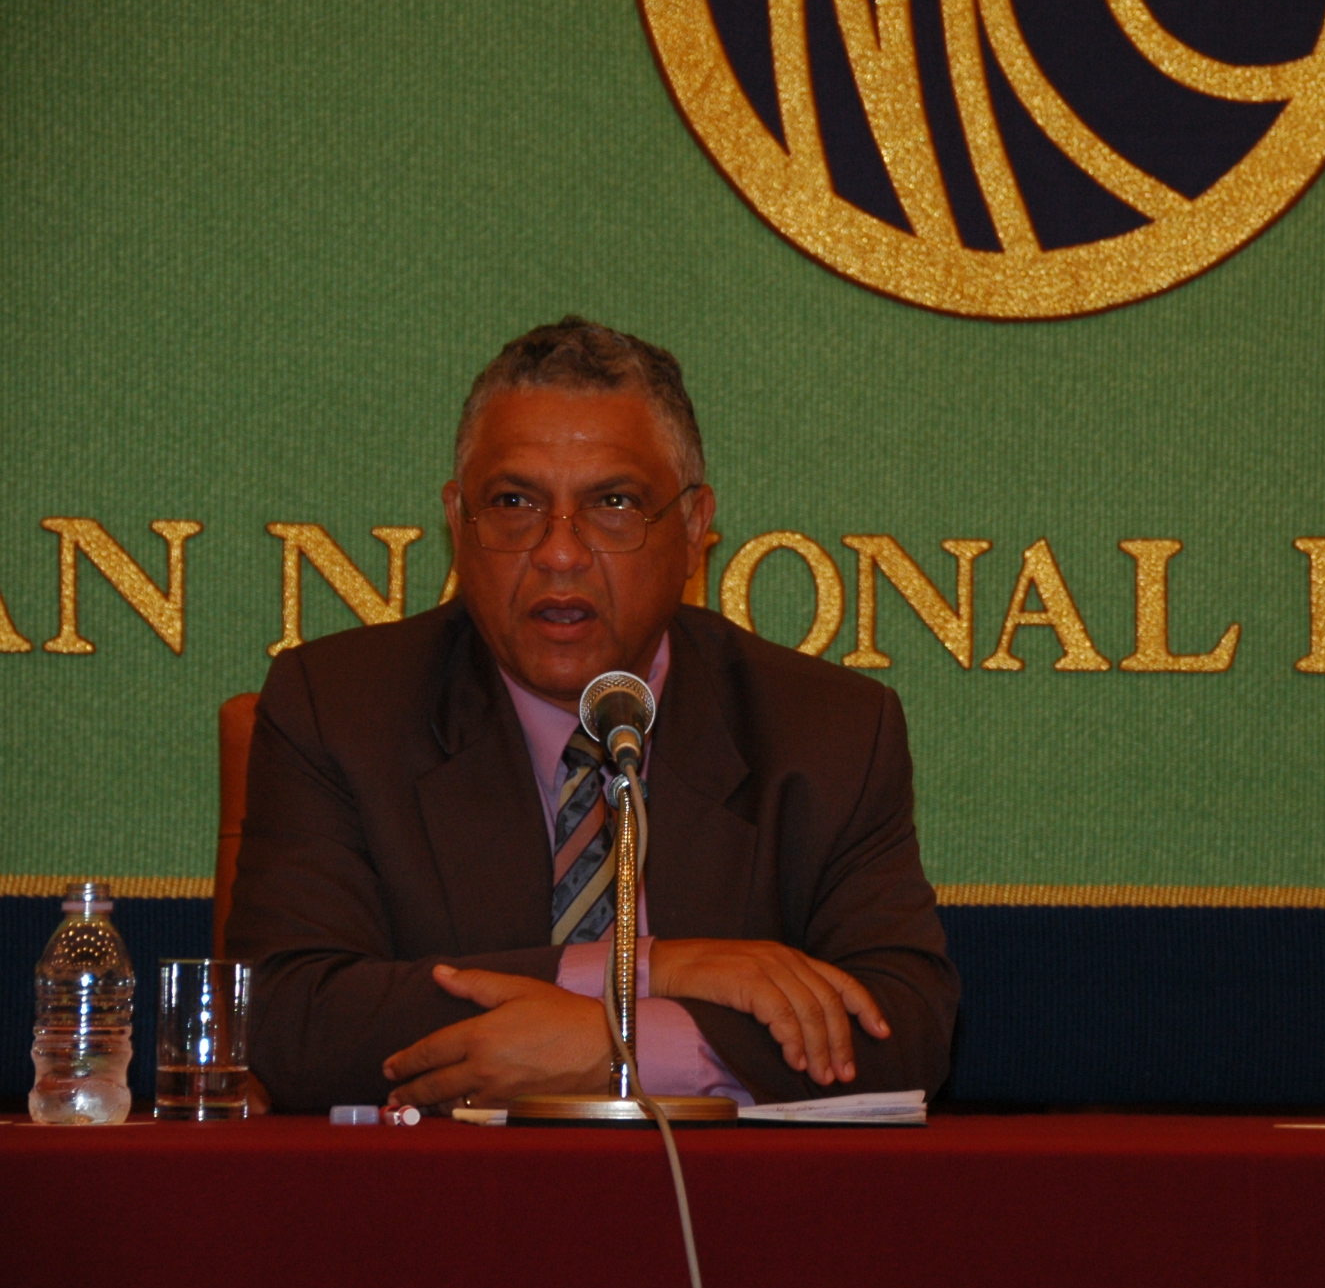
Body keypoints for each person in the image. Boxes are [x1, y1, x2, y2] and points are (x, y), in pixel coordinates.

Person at [229, 317, 958, 1112]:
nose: (559, 552)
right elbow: (286, 1017)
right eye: (514, 502)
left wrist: (619, 1049)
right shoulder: (341, 708)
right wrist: (649, 968)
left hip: (712, 1191)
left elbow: (906, 1027)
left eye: (613, 503)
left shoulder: (828, 731)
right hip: (443, 1187)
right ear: (459, 523)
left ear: (692, 531)